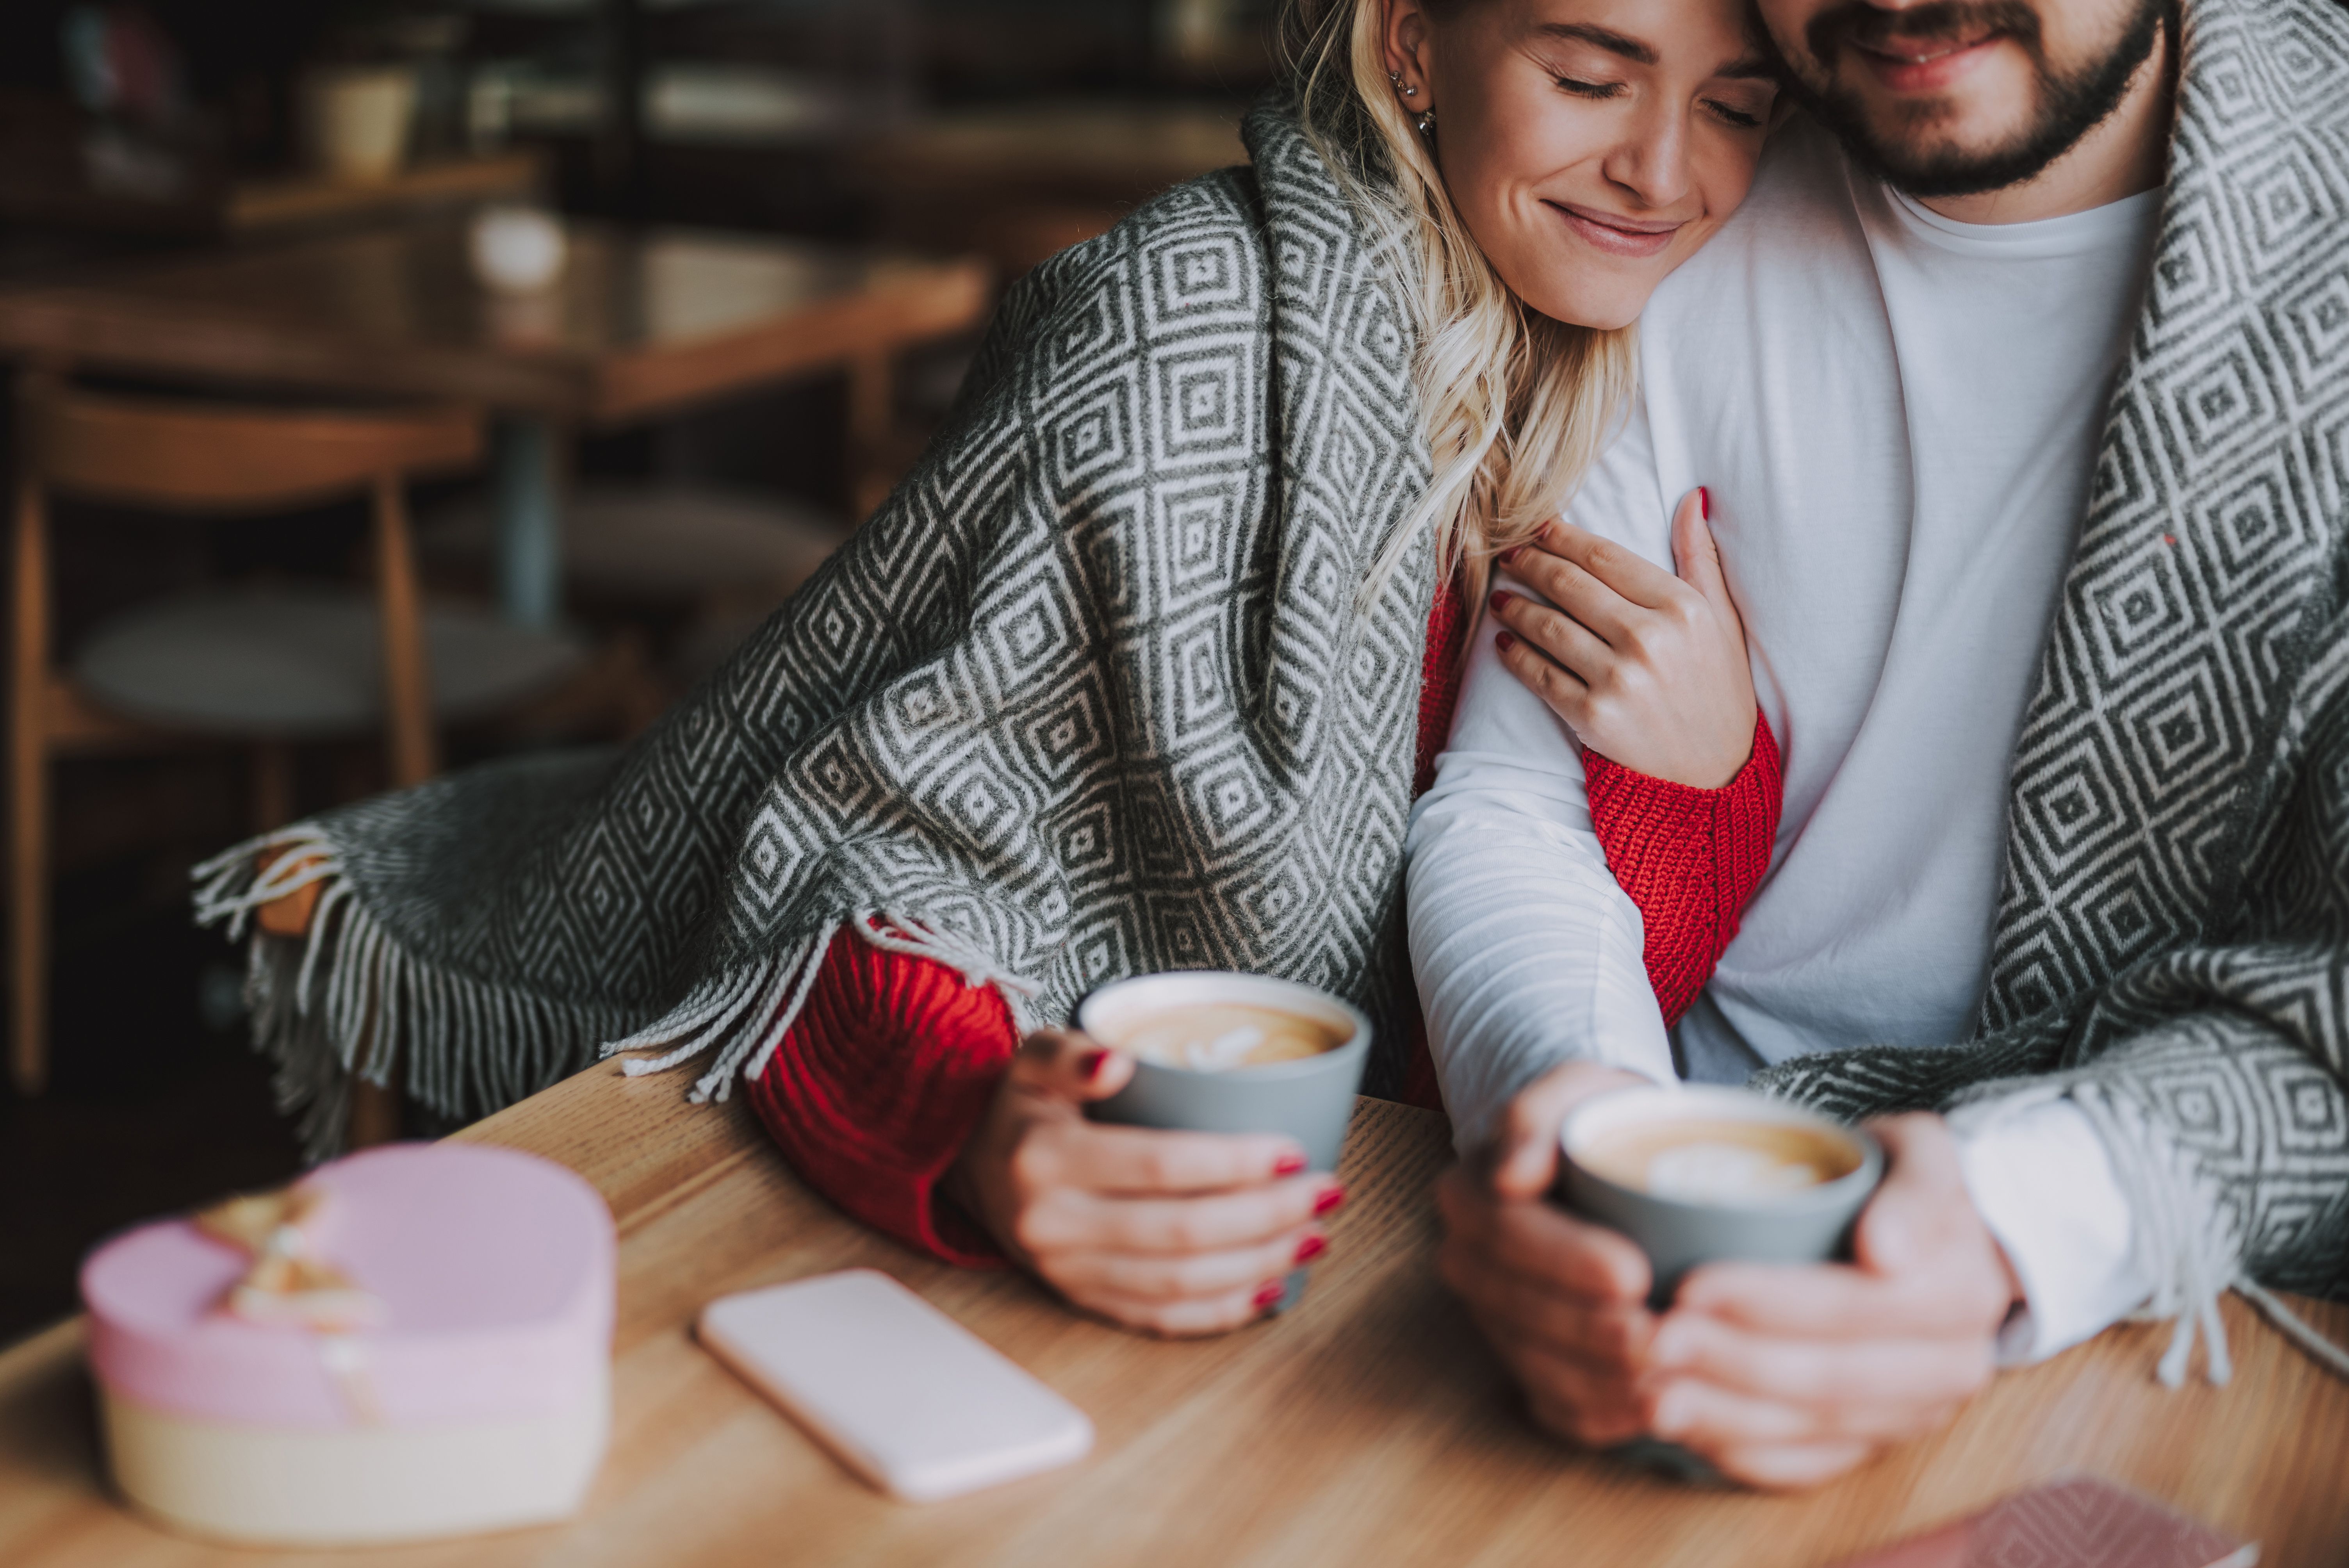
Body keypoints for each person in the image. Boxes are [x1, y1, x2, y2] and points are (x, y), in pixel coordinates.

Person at [199, 0, 1787, 1336]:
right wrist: (970, 1129)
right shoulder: (1188, 328)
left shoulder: (1640, 393)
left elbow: (1531, 1026)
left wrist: (1702, 771)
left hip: (1356, 1240)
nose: (1664, 170)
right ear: (1413, 44)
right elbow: (872, 851)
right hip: (1055, 1193)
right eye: (1590, 76)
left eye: (1735, 104)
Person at [1413, 0, 2349, 1491]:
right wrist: (1580, 1122)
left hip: (2140, 1320)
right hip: (1681, 1191)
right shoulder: (1689, 189)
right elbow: (1520, 800)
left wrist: (2008, 1223)